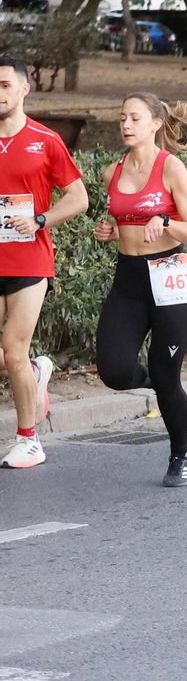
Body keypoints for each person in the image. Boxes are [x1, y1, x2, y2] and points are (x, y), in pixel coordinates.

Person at [91, 94, 187, 485]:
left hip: (171, 277)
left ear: (155, 123)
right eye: (122, 117)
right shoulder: (113, 171)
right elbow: (117, 217)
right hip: (130, 280)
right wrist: (106, 232)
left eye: (135, 118)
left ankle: (180, 454)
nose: (126, 124)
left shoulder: (171, 168)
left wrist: (166, 222)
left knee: (167, 372)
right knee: (114, 370)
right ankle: (155, 378)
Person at [0, 56, 89, 471]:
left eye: (4, 85)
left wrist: (38, 219)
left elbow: (78, 198)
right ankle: (37, 372)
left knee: (12, 349)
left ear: (23, 89)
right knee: (10, 357)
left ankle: (29, 440)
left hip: (29, 258)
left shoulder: (45, 139)